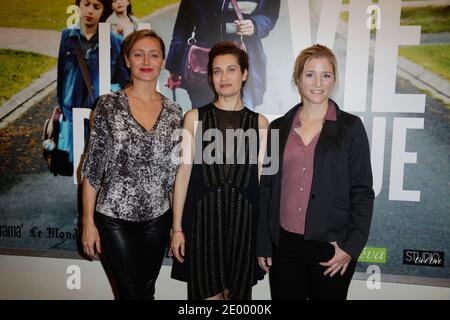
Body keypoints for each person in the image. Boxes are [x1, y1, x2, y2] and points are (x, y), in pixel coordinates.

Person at [256, 44, 374, 300]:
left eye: (326, 75)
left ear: (334, 79)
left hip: (331, 248)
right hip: (284, 247)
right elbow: (267, 189)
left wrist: (350, 247)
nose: (318, 82)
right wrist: (264, 243)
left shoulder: (351, 128)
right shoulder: (278, 128)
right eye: (310, 74)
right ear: (298, 79)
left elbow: (362, 192)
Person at [81, 29, 183, 300]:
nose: (146, 60)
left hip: (157, 219)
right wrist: (88, 223)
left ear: (162, 61)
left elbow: (173, 177)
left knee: (146, 291)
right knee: (130, 293)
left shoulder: (175, 112)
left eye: (154, 55)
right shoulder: (108, 106)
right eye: (138, 54)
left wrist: (176, 226)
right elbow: (92, 170)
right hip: (114, 218)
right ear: (127, 60)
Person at [170, 41, 268, 300]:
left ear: (244, 73)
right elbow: (182, 176)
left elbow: (262, 185)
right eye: (217, 71)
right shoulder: (193, 118)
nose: (224, 77)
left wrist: (264, 239)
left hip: (243, 227)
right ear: (210, 77)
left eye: (231, 69)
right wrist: (177, 228)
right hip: (202, 226)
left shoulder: (261, 124)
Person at [165, 0, 280, 109]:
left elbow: (269, 14)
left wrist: (255, 25)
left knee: (243, 125)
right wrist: (173, 68)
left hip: (243, 68)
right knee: (206, 124)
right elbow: (182, 30)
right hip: (203, 72)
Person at [57, 0, 128, 174]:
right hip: (73, 110)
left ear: (103, 11)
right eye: (86, 4)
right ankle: (83, 199)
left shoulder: (114, 41)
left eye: (96, 7)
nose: (90, 10)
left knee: (100, 166)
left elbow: (122, 78)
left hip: (102, 114)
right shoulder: (67, 36)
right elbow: (61, 73)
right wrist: (61, 102)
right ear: (79, 5)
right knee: (78, 166)